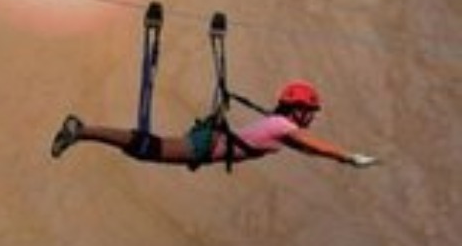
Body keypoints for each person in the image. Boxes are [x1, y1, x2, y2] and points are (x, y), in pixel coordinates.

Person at [51, 79, 379, 169]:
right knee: (149, 148)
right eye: (311, 111)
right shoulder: (283, 126)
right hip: (204, 145)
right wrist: (347, 157)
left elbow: (308, 151)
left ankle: (83, 132)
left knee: (149, 149)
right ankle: (82, 130)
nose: (312, 118)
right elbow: (314, 145)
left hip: (206, 144)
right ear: (299, 110)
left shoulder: (279, 125)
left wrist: (334, 157)